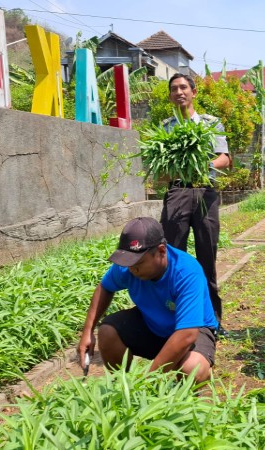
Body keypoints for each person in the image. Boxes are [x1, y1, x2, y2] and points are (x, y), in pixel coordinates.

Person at [77, 217, 219, 382]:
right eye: (128, 262)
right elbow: (105, 287)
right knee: (107, 332)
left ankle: (183, 391)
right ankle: (120, 385)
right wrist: (87, 332)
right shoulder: (128, 265)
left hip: (194, 329)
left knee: (192, 368)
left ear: (161, 251)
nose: (132, 269)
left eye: (138, 263)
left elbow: (187, 334)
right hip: (152, 325)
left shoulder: (186, 271)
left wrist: (147, 381)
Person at [161, 73, 230, 330]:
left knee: (207, 255)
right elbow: (160, 171)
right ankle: (175, 318)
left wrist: (202, 164)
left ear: (193, 92)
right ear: (170, 95)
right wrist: (174, 169)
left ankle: (212, 319)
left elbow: (224, 158)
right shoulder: (166, 127)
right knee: (173, 256)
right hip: (177, 193)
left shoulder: (211, 123)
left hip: (205, 192)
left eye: (183, 87)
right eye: (174, 89)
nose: (179, 92)